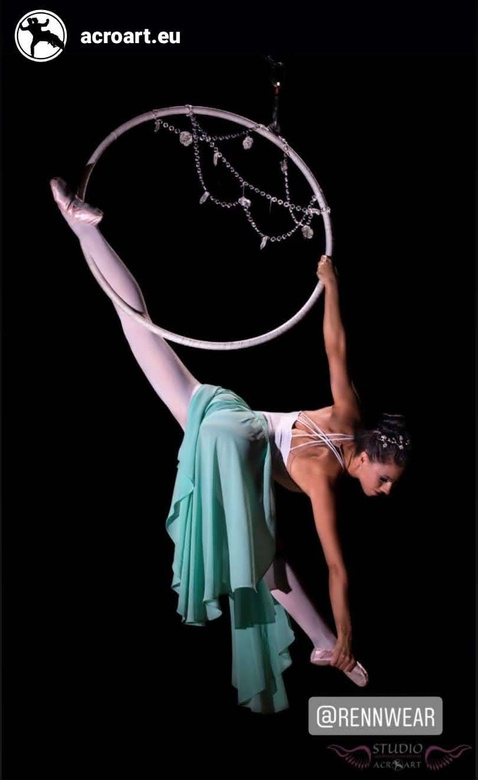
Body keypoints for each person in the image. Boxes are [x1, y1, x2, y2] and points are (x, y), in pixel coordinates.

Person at [49, 177, 411, 714]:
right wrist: (349, 631)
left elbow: (336, 346)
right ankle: (326, 642)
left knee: (139, 327)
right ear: (368, 456)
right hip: (237, 444)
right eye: (385, 481)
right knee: (261, 553)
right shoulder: (325, 480)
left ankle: (86, 230)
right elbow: (337, 568)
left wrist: (331, 285)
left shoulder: (349, 413)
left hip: (227, 410)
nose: (383, 493)